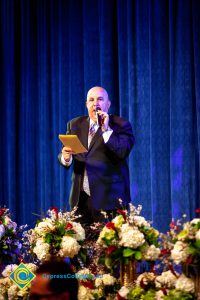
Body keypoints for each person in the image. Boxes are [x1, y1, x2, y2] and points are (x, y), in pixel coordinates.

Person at [58, 86, 134, 224]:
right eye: (91, 100)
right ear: (87, 104)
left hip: (109, 200)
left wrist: (106, 129)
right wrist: (65, 158)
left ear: (108, 104)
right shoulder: (75, 124)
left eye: (100, 99)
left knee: (108, 245)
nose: (95, 104)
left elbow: (122, 151)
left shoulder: (121, 125)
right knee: (79, 244)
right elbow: (65, 152)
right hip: (80, 199)